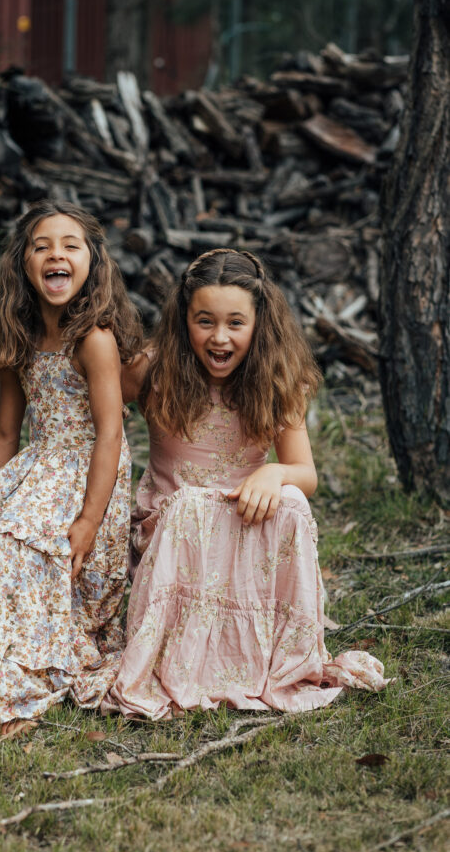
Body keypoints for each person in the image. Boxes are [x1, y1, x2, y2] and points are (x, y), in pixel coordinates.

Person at [103, 248, 389, 719]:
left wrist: (274, 472)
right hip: (174, 535)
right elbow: (80, 379)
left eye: (236, 323)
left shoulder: (277, 378)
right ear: (182, 320)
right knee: (190, 506)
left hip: (244, 528)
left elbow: (305, 474)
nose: (219, 337)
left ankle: (269, 657)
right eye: (204, 321)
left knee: (293, 503)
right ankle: (184, 657)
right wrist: (10, 346)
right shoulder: (154, 369)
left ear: (259, 323)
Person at [0, 200, 142, 739]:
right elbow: (4, 433)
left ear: (93, 263)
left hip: (89, 471)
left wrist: (88, 520)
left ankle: (17, 692)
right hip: (38, 464)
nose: (55, 255)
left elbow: (111, 434)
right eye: (42, 246)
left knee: (12, 546)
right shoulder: (18, 338)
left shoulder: (94, 339)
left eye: (70, 246)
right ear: (23, 264)